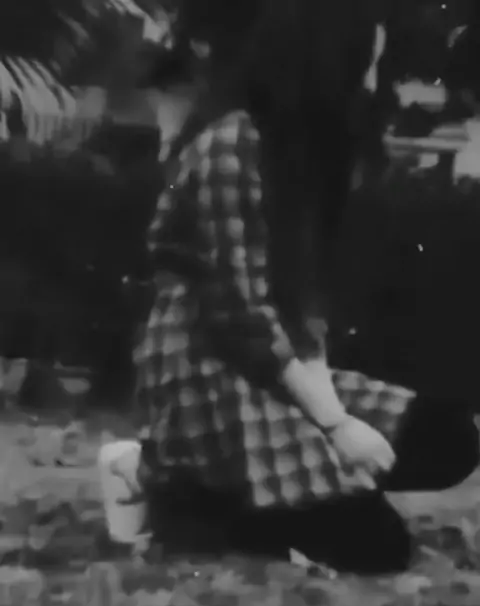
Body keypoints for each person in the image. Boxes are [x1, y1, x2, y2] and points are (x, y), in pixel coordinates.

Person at [129, 0, 479, 573]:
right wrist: (336, 426)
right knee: (377, 549)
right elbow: (239, 313)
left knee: (448, 438)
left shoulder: (296, 156)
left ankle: (265, 501)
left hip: (272, 359)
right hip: (211, 365)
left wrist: (332, 420)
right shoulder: (233, 143)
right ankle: (196, 494)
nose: (373, 80)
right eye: (367, 63)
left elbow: (299, 305)